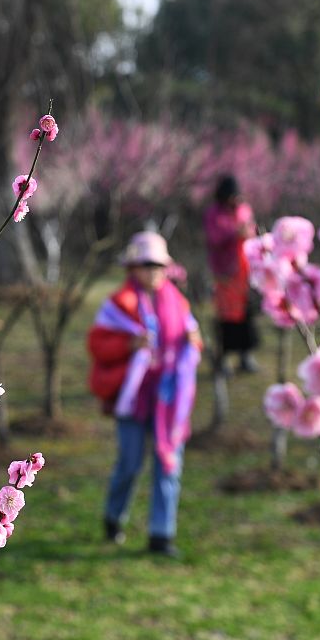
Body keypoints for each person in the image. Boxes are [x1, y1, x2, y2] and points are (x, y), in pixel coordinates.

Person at [87, 232, 202, 557]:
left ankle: (161, 535)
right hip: (132, 398)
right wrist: (129, 345)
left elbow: (193, 340)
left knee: (168, 464)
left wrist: (194, 340)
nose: (152, 271)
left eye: (157, 265)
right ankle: (113, 517)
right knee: (130, 462)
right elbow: (98, 344)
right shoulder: (119, 304)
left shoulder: (178, 302)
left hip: (168, 400)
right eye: (145, 264)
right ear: (133, 267)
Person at [203, 175, 260, 373]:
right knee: (227, 315)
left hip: (246, 269)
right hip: (225, 272)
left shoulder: (244, 209)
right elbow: (214, 237)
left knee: (246, 314)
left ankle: (246, 356)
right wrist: (235, 233)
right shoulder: (214, 214)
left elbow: (252, 230)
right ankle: (224, 358)